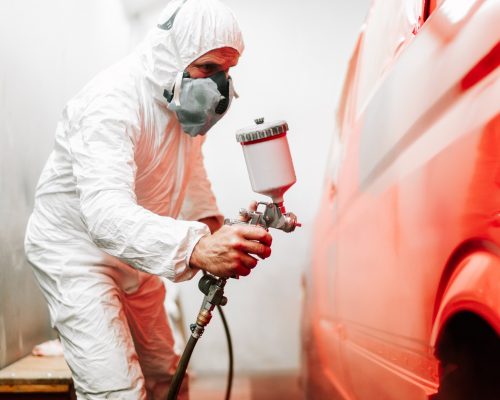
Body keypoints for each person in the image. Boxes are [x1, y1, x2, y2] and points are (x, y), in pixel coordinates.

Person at [24, 0, 272, 399]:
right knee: (118, 390)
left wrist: (214, 225)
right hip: (78, 254)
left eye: (227, 72)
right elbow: (104, 216)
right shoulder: (111, 103)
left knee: (164, 373)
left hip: (135, 252)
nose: (219, 84)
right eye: (209, 69)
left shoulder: (180, 105)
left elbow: (189, 169)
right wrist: (197, 247)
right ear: (173, 55)